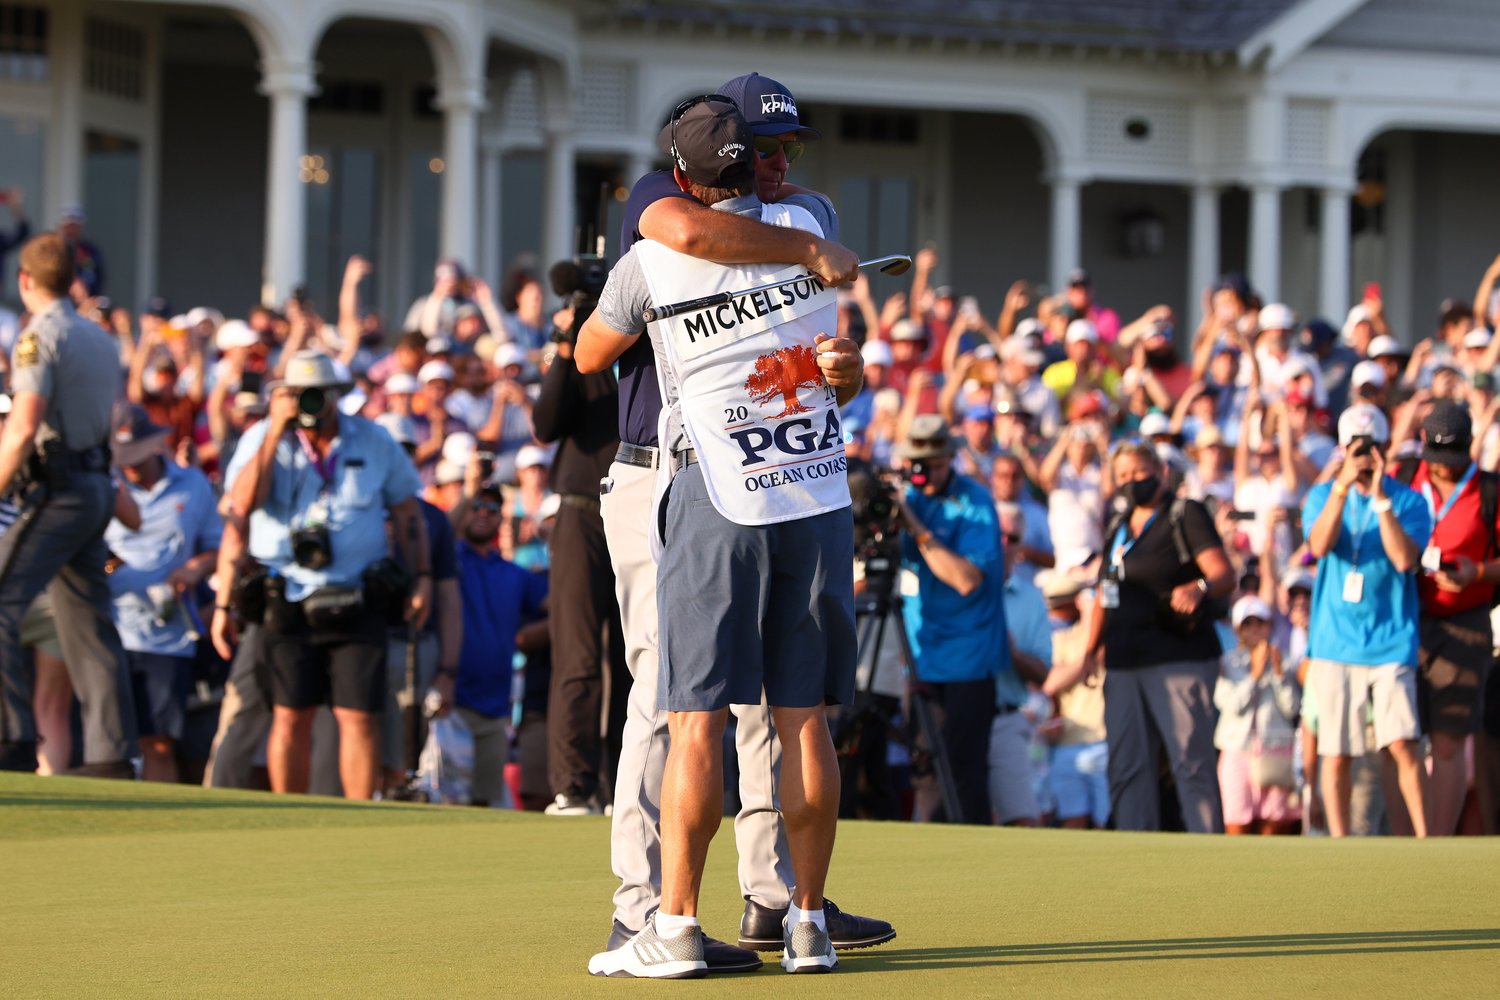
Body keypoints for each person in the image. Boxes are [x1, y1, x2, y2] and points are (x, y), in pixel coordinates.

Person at [591, 75, 885, 977]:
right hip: (797, 488)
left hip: (721, 487)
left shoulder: (701, 240)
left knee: (698, 715)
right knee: (770, 716)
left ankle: (700, 920)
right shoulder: (804, 236)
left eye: (792, 149)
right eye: (769, 147)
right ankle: (771, 919)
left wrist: (843, 369)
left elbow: (586, 351)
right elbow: (686, 226)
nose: (785, 163)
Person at [218, 350, 432, 800]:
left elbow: (408, 513)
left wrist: (422, 577)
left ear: (336, 395)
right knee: (290, 713)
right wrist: (276, 429)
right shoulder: (262, 437)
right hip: (287, 597)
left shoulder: (372, 439)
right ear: (283, 395)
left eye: (319, 394)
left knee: (359, 715)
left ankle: (359, 818)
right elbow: (241, 506)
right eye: (299, 394)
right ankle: (290, 817)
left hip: (355, 593)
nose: (310, 403)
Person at [0, 233, 136, 776]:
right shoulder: (99, 337)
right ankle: (112, 753)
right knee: (87, 619)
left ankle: (8, 738)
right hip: (96, 485)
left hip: (56, 489)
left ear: (25, 280)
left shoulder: (38, 338)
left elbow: (24, 426)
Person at [1084, 441, 1235, 833]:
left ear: (1161, 471)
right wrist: (1089, 649)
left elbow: (1223, 575)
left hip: (1178, 657)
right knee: (1127, 764)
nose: (1131, 482)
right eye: (1122, 476)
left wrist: (1199, 587)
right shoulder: (1119, 526)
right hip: (1123, 660)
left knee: (1191, 760)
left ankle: (1209, 852)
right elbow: (1104, 590)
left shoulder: (1184, 513)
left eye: (1138, 472)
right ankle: (1134, 856)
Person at [1301, 403, 1431, 838]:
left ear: (1385, 449)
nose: (1363, 456)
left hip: (1391, 640)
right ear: (1341, 449)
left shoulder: (1408, 500)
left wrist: (1379, 500)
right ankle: (1339, 846)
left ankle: (1428, 841)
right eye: (1355, 448)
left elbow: (1403, 558)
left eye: (1370, 447)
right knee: (1336, 753)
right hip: (1335, 641)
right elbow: (1317, 546)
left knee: (1403, 745)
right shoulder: (1322, 496)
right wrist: (1340, 489)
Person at [893, 414, 1010, 825]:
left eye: (936, 465)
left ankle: (975, 855)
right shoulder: (909, 497)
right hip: (922, 657)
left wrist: (912, 523)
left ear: (951, 460)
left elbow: (965, 579)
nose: (926, 473)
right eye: (918, 465)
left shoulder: (973, 500)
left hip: (968, 658)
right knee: (925, 768)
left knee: (963, 770)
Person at [533, 312, 627, 816]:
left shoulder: (641, 354)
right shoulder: (576, 363)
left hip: (634, 508)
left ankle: (621, 784)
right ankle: (573, 784)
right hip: (579, 513)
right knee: (578, 653)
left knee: (634, 655)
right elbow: (545, 423)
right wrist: (565, 348)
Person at [104, 406, 222, 784]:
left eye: (137, 457)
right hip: (109, 630)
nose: (132, 467)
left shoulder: (193, 484)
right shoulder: (104, 484)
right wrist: (108, 563)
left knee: (158, 741)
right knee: (107, 742)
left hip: (167, 635)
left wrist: (195, 568)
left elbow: (219, 549)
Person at [1403, 400, 1499, 836]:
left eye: (1452, 461)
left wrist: (1477, 572)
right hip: (1404, 621)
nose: (1443, 470)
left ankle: (1435, 846)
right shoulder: (1404, 478)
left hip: (1466, 620)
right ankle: (1404, 840)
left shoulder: (1491, 489)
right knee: (1400, 741)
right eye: (1437, 460)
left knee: (1447, 741)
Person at [452, 479, 548, 807]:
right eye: (476, 505)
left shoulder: (513, 573)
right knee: (443, 804)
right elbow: (441, 539)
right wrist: (469, 486)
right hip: (449, 706)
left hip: (495, 709)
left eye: (492, 508)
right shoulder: (451, 560)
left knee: (485, 806)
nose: (483, 513)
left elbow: (561, 605)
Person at [1213, 595, 1301, 835]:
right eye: (1248, 624)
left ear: (1269, 626)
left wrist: (1280, 675)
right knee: (1237, 820)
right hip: (1237, 749)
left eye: (1260, 623)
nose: (1254, 630)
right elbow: (1230, 705)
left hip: (1275, 748)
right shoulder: (1228, 663)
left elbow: (1292, 708)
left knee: (1274, 822)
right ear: (1238, 629)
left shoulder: (1284, 661)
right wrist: (1255, 674)